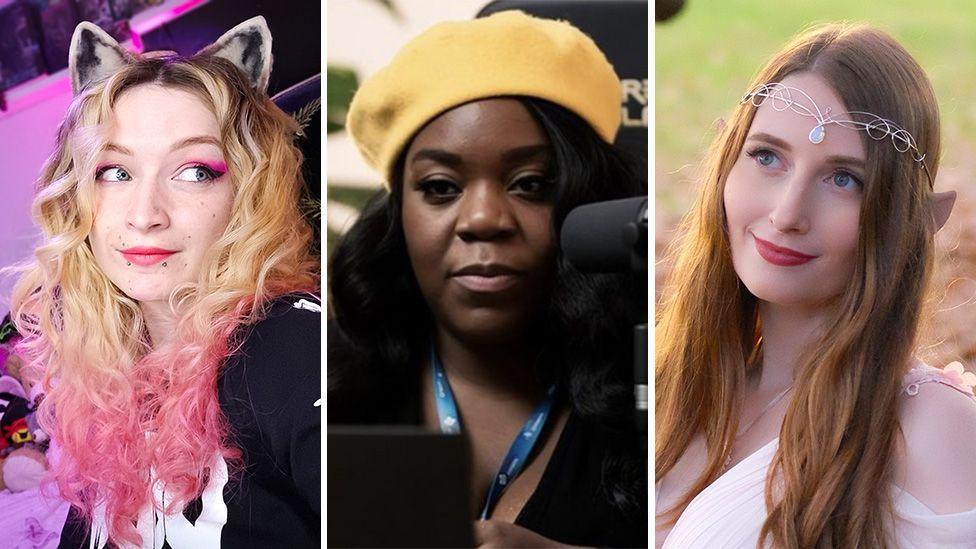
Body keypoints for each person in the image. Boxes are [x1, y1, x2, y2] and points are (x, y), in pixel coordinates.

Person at [328, 10, 647, 548]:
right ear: (398, 213)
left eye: (529, 184)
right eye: (439, 187)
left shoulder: (648, 391)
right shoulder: (327, 386)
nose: (483, 219)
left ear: (586, 203)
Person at [655, 23, 976, 548]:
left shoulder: (933, 429)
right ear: (725, 165)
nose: (787, 214)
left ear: (908, 218)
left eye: (843, 179)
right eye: (767, 157)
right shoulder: (673, 378)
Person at [7, 17, 320, 548]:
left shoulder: (290, 345)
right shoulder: (109, 384)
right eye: (114, 171)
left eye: (195, 170)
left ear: (247, 192)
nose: (145, 214)